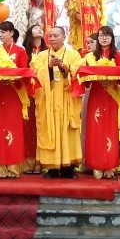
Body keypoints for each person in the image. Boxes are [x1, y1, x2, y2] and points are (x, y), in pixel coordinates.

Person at [31, 26, 82, 178]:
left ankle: (68, 167)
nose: (52, 38)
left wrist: (64, 67)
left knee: (67, 131)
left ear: (64, 37)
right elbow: (34, 74)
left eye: (56, 35)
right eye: (50, 36)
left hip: (66, 100)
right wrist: (48, 67)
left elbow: (78, 73)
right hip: (48, 101)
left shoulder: (73, 54)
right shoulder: (41, 56)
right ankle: (51, 168)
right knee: (49, 130)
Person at [83, 26, 120, 179]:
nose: (104, 38)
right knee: (96, 129)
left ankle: (110, 165)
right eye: (101, 35)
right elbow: (84, 79)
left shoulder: (118, 56)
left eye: (108, 35)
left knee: (111, 129)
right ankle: (96, 164)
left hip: (111, 96)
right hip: (96, 94)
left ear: (112, 38)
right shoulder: (90, 57)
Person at [0, 21, 29, 178]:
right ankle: (0, 167)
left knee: (14, 127)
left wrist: (12, 77)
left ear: (12, 33)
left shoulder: (20, 51)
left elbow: (24, 70)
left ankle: (13, 167)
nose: (0, 35)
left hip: (14, 92)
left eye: (3, 32)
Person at [21, 24, 48, 174]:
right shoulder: (24, 52)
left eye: (41, 28)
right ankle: (28, 162)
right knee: (29, 126)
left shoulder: (48, 51)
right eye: (36, 28)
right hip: (28, 93)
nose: (40, 30)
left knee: (42, 126)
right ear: (30, 32)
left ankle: (42, 162)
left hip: (44, 93)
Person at [80, 32, 98, 174]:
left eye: (91, 41)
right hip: (89, 92)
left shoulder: (109, 57)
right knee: (87, 125)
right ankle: (86, 161)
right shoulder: (86, 58)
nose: (88, 44)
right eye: (87, 42)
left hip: (106, 94)